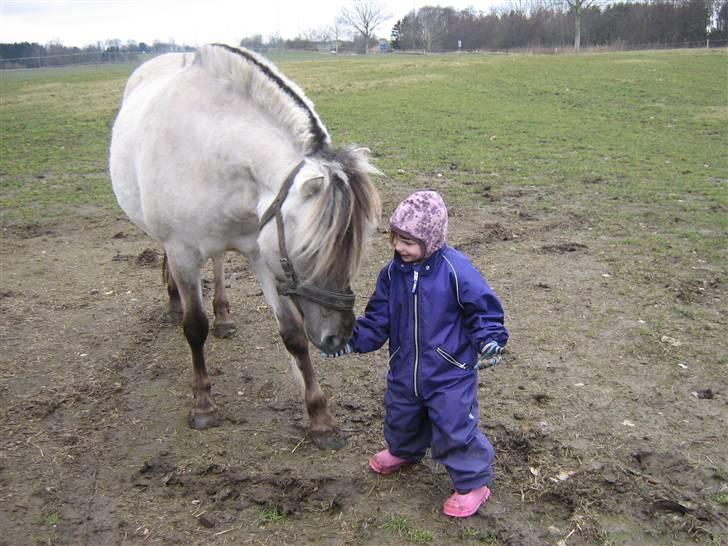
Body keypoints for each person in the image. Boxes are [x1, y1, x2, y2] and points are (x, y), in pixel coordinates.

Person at [324, 190, 509, 518]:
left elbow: (482, 309)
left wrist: (490, 338)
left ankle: (473, 483)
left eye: (408, 241)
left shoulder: (456, 269)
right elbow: (378, 318)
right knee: (400, 414)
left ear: (431, 239)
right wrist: (351, 341)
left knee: (454, 426)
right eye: (396, 238)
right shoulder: (392, 274)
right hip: (404, 367)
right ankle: (405, 450)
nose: (399, 247)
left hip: (449, 372)